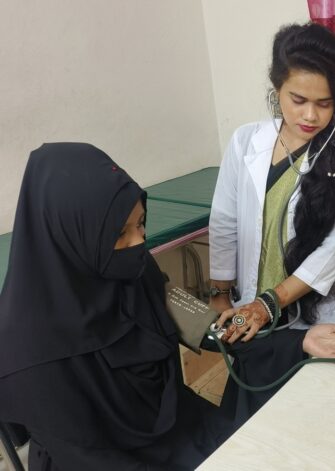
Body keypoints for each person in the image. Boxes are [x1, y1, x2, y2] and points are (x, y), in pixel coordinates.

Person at [0, 143, 230, 470]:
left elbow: (177, 309)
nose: (139, 242)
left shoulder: (133, 270)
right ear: (72, 232)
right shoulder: (27, 352)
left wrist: (240, 326)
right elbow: (86, 458)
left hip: (174, 426)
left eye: (141, 223)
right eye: (120, 233)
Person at [207, 22, 335, 423]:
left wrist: (267, 304)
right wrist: (220, 296)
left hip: (319, 308)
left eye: (325, 103)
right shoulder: (245, 141)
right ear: (277, 88)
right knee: (257, 410)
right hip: (254, 305)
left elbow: (333, 250)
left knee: (315, 414)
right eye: (298, 100)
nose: (311, 115)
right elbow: (224, 221)